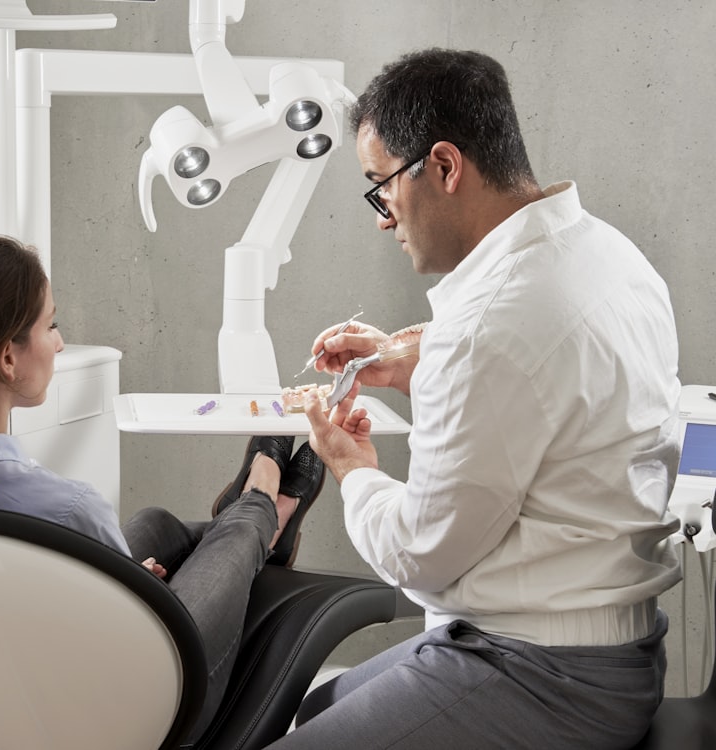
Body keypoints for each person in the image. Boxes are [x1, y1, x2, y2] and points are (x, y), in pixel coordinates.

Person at [269, 48, 683, 749]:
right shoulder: (609, 255)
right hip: (620, 650)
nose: (382, 218)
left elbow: (421, 555)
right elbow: (546, 364)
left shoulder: (487, 330)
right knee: (323, 706)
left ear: (444, 167)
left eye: (381, 186)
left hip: (544, 675)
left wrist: (350, 464)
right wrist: (414, 357)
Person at [0, 234, 326, 739]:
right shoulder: (65, 510)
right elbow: (129, 641)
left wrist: (120, 588)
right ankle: (265, 504)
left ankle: (252, 512)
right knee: (237, 533)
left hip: (6, 694)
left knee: (158, 524)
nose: (59, 342)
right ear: (8, 359)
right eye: (50, 324)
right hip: (134, 714)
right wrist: (134, 600)